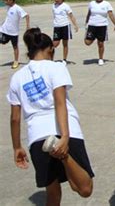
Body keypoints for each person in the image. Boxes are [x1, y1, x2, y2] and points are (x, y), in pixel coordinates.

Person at [7, 28, 94, 205]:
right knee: (84, 188)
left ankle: (60, 155)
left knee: (52, 193)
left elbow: (15, 118)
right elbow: (60, 102)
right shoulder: (56, 67)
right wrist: (65, 137)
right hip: (64, 132)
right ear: (50, 50)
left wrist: (17, 147)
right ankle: (64, 156)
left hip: (37, 136)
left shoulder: (17, 77)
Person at [84, 0, 115, 66]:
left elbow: (111, 15)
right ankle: (94, 36)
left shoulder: (106, 4)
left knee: (100, 44)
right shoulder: (91, 3)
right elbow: (88, 14)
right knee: (87, 42)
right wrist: (86, 23)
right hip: (92, 25)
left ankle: (100, 59)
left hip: (102, 26)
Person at [0, 0, 30, 69]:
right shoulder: (8, 7)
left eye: (6, 0)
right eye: (5, 0)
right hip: (4, 30)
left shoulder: (18, 8)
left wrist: (27, 26)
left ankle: (16, 61)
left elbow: (27, 15)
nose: (5, 2)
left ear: (11, 0)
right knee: (2, 42)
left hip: (13, 32)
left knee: (15, 47)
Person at [52, 0, 79, 65]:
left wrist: (75, 25)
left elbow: (71, 16)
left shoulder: (65, 6)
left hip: (65, 26)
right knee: (55, 44)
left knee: (65, 43)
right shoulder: (53, 6)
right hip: (57, 27)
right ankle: (50, 58)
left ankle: (64, 59)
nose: (56, 0)